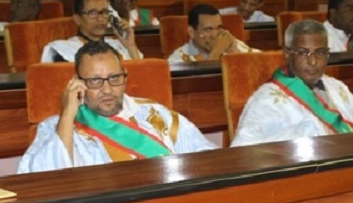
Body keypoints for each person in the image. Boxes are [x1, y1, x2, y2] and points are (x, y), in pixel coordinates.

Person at [18, 41, 215, 172]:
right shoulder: (57, 127)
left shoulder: (155, 114)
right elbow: (44, 180)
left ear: (125, 77)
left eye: (114, 78)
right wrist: (68, 115)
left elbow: (206, 159)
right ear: (77, 82)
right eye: (95, 81)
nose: (107, 89)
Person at [231, 20, 353, 147]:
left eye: (320, 53)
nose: (313, 62)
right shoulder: (267, 100)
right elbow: (244, 149)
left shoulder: (334, 86)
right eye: (303, 53)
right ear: (287, 54)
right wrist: (299, 135)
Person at [41, 0, 142, 62]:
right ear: (77, 19)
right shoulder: (65, 50)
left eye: (105, 12)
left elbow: (141, 75)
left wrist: (130, 46)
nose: (100, 18)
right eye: (93, 13)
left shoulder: (119, 46)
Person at [167, 4, 256, 63]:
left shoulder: (231, 44)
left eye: (219, 28)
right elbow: (200, 82)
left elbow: (260, 64)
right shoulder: (178, 58)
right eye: (208, 29)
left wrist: (234, 52)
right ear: (192, 32)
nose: (215, 35)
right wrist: (217, 51)